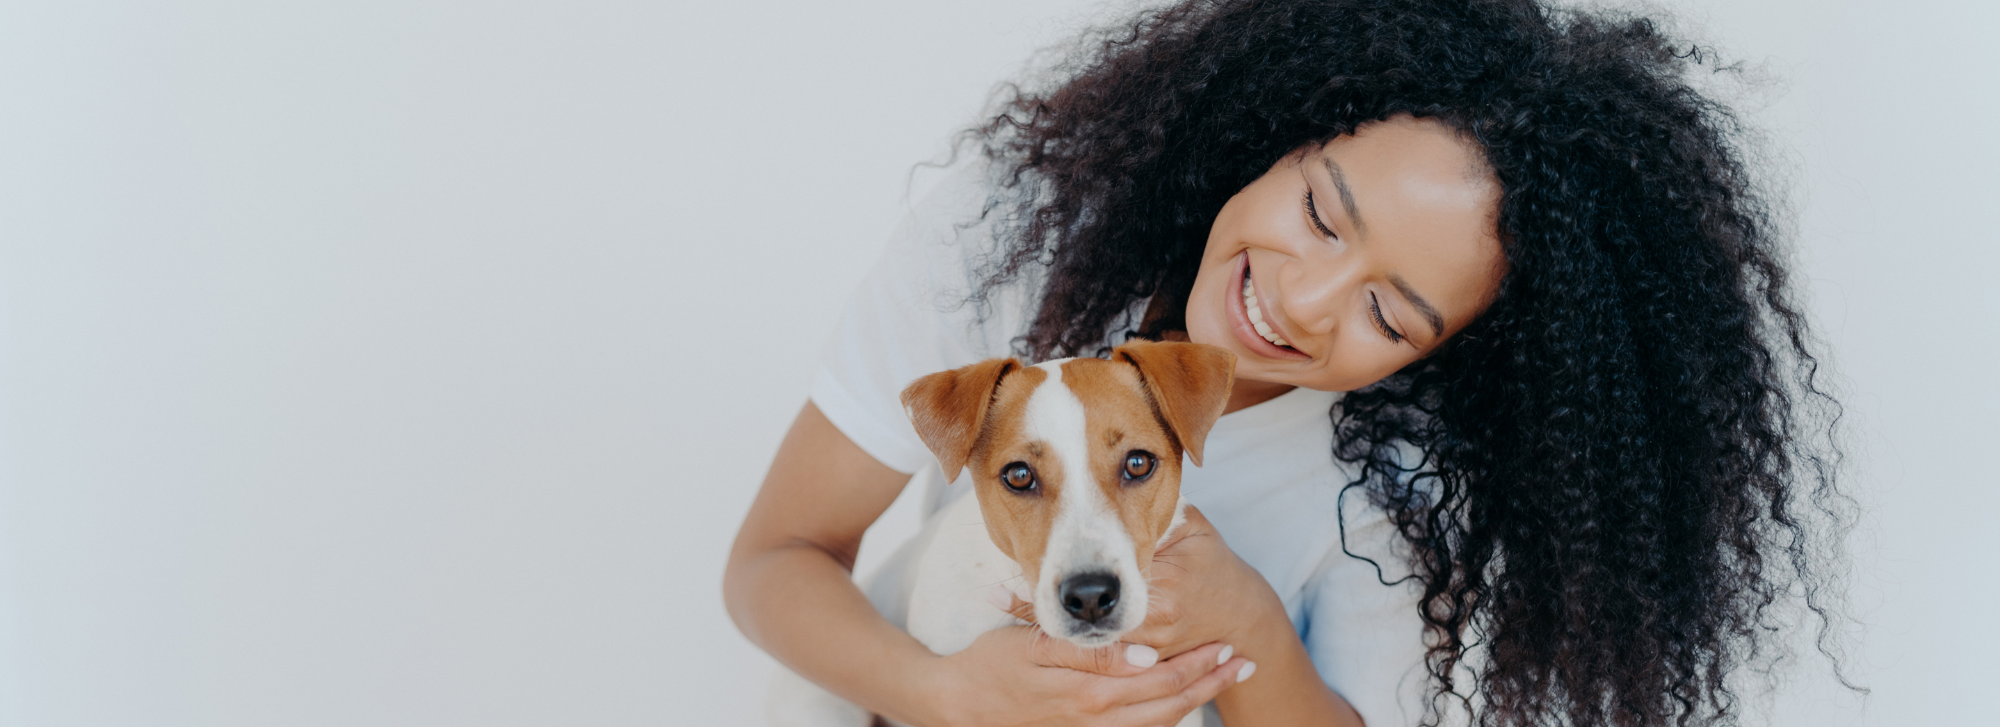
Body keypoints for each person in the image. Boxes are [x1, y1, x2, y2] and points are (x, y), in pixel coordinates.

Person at [723, 0, 1851, 725]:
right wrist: (937, 693)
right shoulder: (1014, 241)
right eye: (1319, 209)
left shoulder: (1399, 485)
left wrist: (1251, 625)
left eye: (1389, 312)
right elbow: (775, 557)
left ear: (1450, 356)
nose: (1297, 300)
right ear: (1285, 123)